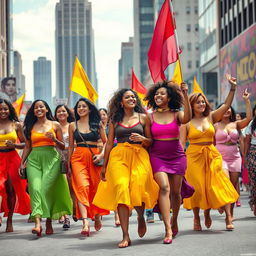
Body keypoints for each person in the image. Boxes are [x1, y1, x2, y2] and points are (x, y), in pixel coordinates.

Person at [93, 89, 159, 248]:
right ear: (121, 102)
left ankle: (141, 216)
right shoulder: (114, 120)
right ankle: (125, 235)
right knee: (121, 188)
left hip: (139, 155)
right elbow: (109, 143)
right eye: (127, 97)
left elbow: (151, 141)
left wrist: (143, 139)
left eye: (133, 97)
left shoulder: (144, 118)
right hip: (119, 156)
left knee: (137, 187)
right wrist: (105, 165)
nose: (131, 98)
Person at [181, 74, 239, 231]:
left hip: (212, 155)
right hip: (193, 157)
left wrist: (232, 87)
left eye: (202, 101)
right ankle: (197, 216)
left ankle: (228, 217)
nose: (201, 104)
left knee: (219, 184)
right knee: (197, 188)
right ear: (191, 105)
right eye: (197, 102)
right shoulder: (186, 122)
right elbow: (181, 144)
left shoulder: (212, 116)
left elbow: (226, 105)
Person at [145, 81, 193, 243]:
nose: (159, 96)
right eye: (156, 94)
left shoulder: (176, 114)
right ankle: (167, 229)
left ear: (169, 97)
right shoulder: (149, 117)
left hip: (177, 156)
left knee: (175, 193)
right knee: (164, 188)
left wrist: (185, 94)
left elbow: (187, 117)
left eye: (162, 94)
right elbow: (149, 140)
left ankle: (174, 220)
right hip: (157, 156)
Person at [21, 99, 72, 236]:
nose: (39, 109)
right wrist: (22, 163)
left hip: (52, 159)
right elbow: (27, 146)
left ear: (47, 109)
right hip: (34, 160)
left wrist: (54, 139)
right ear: (33, 111)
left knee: (46, 188)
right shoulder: (30, 126)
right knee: (36, 188)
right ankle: (38, 223)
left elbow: (63, 146)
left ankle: (49, 220)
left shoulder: (55, 124)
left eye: (41, 107)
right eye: (36, 107)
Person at [68, 98, 109, 236]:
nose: (81, 108)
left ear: (90, 109)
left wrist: (102, 156)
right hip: (78, 158)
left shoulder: (97, 124)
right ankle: (85, 222)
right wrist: (68, 164)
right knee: (82, 187)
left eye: (84, 106)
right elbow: (71, 147)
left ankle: (97, 215)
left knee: (94, 189)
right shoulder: (73, 125)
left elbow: (106, 143)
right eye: (79, 106)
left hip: (94, 157)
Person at [214, 90, 252, 219]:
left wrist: (247, 101)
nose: (227, 111)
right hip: (220, 157)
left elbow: (249, 119)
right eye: (224, 109)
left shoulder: (235, 124)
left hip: (235, 156)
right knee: (226, 183)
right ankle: (226, 211)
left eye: (229, 109)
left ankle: (229, 215)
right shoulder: (215, 125)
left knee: (233, 187)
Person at [0, 98, 30, 231]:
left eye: (5, 109)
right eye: (0, 109)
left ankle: (9, 220)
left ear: (9, 110)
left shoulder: (16, 125)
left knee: (10, 190)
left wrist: (15, 145)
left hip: (12, 158)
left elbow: (25, 143)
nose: (3, 111)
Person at [54, 104, 76, 229]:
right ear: (55, 114)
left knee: (72, 186)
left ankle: (74, 208)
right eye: (58, 112)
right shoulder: (53, 126)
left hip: (72, 157)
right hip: (57, 158)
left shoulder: (72, 126)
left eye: (63, 111)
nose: (61, 113)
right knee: (62, 187)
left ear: (68, 113)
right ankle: (65, 216)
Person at [99, 107, 121, 227]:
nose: (102, 116)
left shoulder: (112, 125)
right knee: (102, 185)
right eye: (100, 115)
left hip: (115, 157)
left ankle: (117, 214)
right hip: (99, 158)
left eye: (104, 114)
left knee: (116, 185)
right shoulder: (96, 127)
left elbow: (109, 142)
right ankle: (99, 212)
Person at [244, 104, 256, 216]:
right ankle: (254, 202)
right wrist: (245, 157)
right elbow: (247, 141)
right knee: (253, 181)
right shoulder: (252, 125)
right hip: (253, 152)